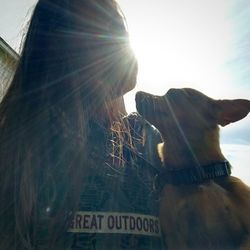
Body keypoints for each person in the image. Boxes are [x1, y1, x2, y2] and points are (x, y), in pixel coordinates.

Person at [0, 0, 165, 249]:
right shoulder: (21, 148)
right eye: (93, 30)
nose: (117, 40)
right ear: (56, 51)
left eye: (118, 26)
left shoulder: (147, 139)